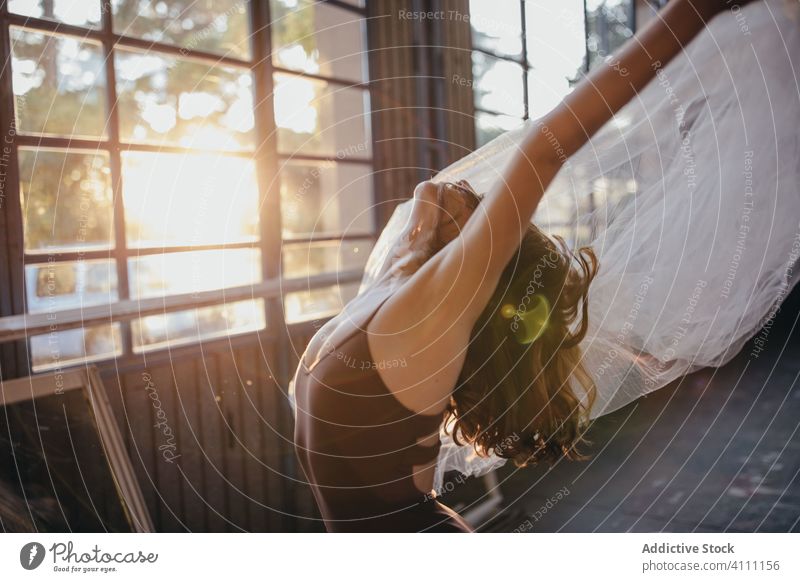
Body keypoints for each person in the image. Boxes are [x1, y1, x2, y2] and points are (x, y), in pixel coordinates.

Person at [292, 0, 760, 532]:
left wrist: (691, 12)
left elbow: (545, 150)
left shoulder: (431, 314)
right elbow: (426, 202)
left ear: (480, 264)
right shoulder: (401, 277)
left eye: (487, 212)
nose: (474, 189)